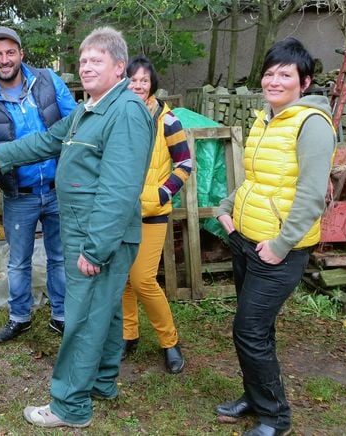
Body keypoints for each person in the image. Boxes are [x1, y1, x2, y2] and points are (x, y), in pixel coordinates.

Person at [0, 26, 154, 428]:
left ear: (119, 67)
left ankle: (69, 404)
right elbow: (44, 141)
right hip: (88, 233)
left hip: (97, 237)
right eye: (83, 60)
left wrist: (96, 248)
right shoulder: (89, 109)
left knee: (84, 316)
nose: (86, 67)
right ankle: (102, 382)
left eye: (96, 60)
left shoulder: (125, 112)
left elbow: (120, 189)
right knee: (103, 313)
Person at [214, 38, 335, 436]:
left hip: (278, 251)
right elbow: (258, 178)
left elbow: (311, 196)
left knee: (248, 330)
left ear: (305, 81)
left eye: (285, 74)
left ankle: (275, 417)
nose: (274, 80)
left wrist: (280, 245)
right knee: (256, 330)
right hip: (247, 241)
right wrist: (227, 206)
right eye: (269, 73)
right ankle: (256, 397)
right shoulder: (265, 118)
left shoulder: (312, 125)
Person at [0, 26, 76, 343]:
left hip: (59, 187)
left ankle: (62, 315)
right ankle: (19, 317)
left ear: (21, 54)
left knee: (59, 256)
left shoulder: (48, 81)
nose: (4, 60)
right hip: (19, 193)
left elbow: (73, 122)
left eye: (10, 52)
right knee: (18, 261)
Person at [121, 56, 191, 373]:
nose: (137, 85)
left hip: (151, 211)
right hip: (120, 210)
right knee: (123, 277)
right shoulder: (118, 115)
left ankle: (170, 342)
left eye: (143, 81)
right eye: (132, 80)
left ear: (152, 85)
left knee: (143, 279)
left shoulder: (168, 120)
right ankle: (128, 335)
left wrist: (163, 193)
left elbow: (185, 165)